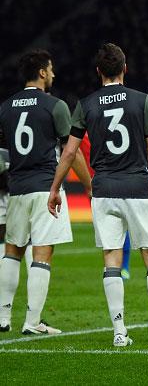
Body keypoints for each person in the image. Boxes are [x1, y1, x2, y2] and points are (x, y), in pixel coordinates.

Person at [48, 43, 148, 347]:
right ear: (125, 69)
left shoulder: (86, 105)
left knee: (111, 258)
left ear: (98, 72)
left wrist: (55, 188)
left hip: (104, 188)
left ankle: (119, 333)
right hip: (137, 185)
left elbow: (69, 151)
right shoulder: (141, 101)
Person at [0, 49, 92, 334]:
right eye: (50, 69)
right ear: (41, 72)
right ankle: (32, 321)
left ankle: (2, 318)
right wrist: (89, 185)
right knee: (42, 253)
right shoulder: (55, 106)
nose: (53, 74)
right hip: (45, 188)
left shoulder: (5, 107)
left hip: (16, 189)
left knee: (12, 251)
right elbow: (71, 150)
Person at [79, 134, 132, 280]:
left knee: (120, 223)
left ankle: (122, 267)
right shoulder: (84, 132)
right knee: (112, 226)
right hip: (98, 181)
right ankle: (118, 267)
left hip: (110, 179)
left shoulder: (95, 125)